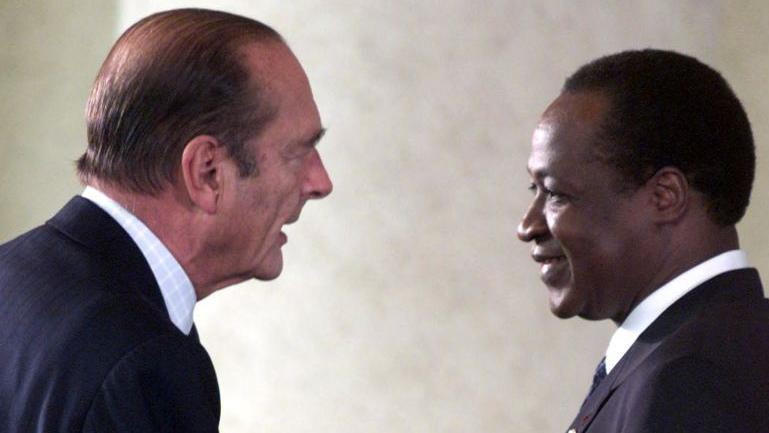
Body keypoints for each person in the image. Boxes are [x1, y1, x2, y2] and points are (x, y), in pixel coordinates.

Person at [0, 8, 332, 432]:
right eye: (298, 152)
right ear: (207, 172)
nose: (320, 182)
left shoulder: (9, 276)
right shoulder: (145, 366)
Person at [517, 49, 768, 432]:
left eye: (555, 193)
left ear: (665, 196)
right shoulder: (714, 349)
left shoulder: (693, 378)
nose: (528, 225)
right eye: (534, 188)